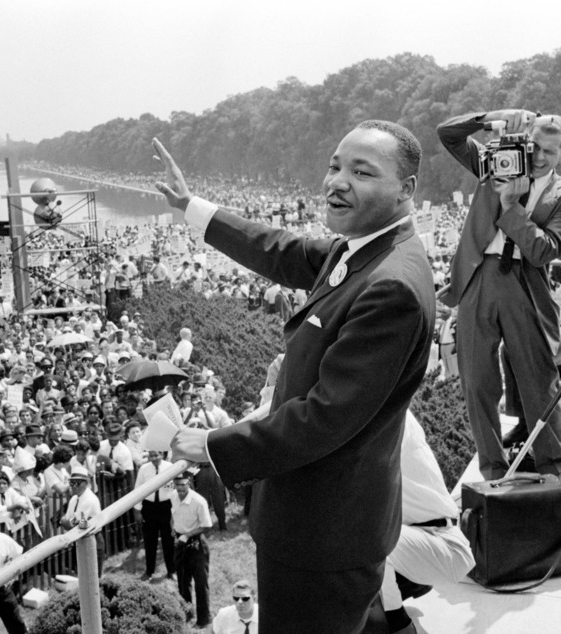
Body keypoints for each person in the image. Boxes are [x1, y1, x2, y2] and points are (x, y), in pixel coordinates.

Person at [155, 119, 434, 634]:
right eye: (334, 166)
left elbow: (325, 418)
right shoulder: (362, 249)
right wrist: (191, 206)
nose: (338, 181)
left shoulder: (390, 285)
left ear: (406, 190)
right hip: (317, 521)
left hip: (324, 535)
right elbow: (279, 249)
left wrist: (214, 444)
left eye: (362, 171)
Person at [437, 109, 561, 480]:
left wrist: (510, 207)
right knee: (476, 381)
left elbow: (545, 251)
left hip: (526, 283)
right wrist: (492, 116)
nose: (537, 156)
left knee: (538, 381)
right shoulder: (496, 163)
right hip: (477, 277)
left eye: (549, 151)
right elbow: (448, 134)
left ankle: (553, 466)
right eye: (533, 146)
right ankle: (492, 469)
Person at [380, 411, 475, 634]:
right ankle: (404, 582)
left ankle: (398, 624)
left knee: (366, 537)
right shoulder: (385, 404)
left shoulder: (383, 419)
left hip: (441, 543)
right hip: (421, 535)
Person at [170, 471, 212, 628]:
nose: (179, 489)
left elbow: (206, 525)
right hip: (180, 542)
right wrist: (173, 527)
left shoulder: (198, 501)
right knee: (182, 581)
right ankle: (186, 614)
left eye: (183, 485)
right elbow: (173, 513)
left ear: (190, 483)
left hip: (196, 544)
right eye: (177, 485)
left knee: (200, 583)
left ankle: (204, 619)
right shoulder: (173, 496)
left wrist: (187, 535)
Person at [133, 450, 176, 581]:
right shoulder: (144, 469)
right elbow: (138, 489)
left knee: (168, 540)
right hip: (149, 507)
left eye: (156, 455)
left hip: (166, 507)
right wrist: (138, 510)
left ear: (162, 455)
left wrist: (174, 512)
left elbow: (174, 490)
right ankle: (149, 570)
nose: (154, 458)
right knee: (149, 540)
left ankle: (171, 570)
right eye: (151, 456)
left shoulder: (170, 468)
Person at [59, 466, 104, 574]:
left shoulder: (90, 500)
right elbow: (69, 520)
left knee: (93, 575)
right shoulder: (74, 499)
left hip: (93, 540)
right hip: (79, 539)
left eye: (77, 483)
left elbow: (71, 524)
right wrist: (67, 522)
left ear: (86, 483)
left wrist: (65, 522)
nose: (74, 486)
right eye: (72, 483)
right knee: (82, 574)